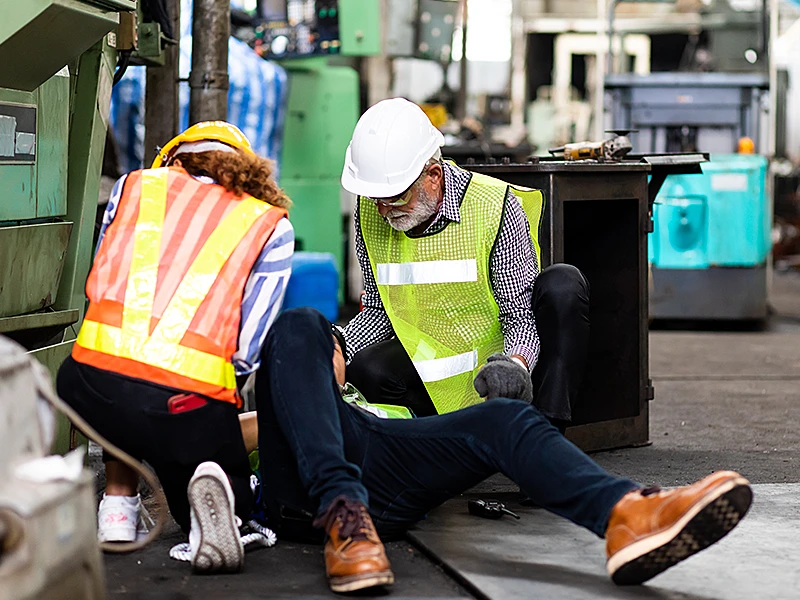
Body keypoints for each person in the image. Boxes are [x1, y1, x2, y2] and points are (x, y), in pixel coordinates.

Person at [245, 306, 752, 593]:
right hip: (305, 492)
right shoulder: (285, 400)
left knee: (505, 417)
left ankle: (627, 515)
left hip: (381, 455)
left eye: (338, 348)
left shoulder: (363, 400)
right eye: (327, 350)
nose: (334, 353)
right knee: (299, 321)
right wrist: (292, 387)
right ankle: (344, 518)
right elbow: (237, 430)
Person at [57, 121, 294, 571]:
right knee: (203, 455)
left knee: (125, 368)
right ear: (249, 171)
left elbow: (103, 285)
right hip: (185, 406)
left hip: (84, 387)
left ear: (172, 160)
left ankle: (117, 508)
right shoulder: (268, 225)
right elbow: (247, 351)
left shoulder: (134, 188)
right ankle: (222, 508)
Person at [341, 97, 590, 431]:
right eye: (376, 199)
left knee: (564, 283)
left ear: (433, 175)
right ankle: (434, 440)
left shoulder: (491, 206)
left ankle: (543, 436)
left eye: (397, 197)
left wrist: (514, 365)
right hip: (433, 372)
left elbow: (519, 313)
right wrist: (336, 345)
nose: (385, 210)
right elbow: (377, 311)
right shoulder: (372, 213)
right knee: (366, 368)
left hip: (501, 369)